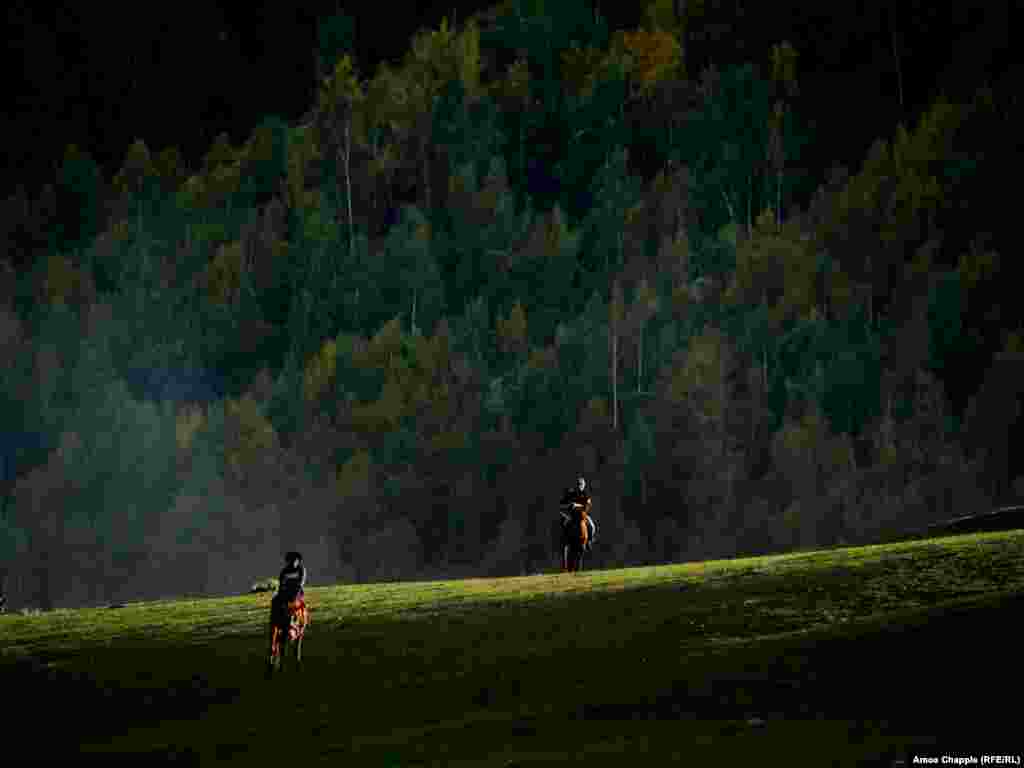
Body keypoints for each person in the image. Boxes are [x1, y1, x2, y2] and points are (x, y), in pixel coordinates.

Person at [560, 476, 592, 558]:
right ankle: (564, 541)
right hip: (573, 515)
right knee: (565, 524)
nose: (580, 486)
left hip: (583, 514)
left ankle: (589, 541)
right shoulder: (572, 493)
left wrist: (576, 505)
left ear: (584, 485)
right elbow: (563, 502)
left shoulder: (586, 494)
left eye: (581, 484)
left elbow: (587, 505)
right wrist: (567, 503)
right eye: (578, 484)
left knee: (592, 526)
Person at [272, 551, 306, 625]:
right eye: (291, 560)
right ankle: (275, 618)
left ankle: (296, 619)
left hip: (297, 592)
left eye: (295, 560)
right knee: (275, 600)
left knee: (293, 604)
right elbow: (281, 584)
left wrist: (296, 593)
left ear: (298, 561)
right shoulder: (284, 571)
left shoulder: (301, 569)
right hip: (286, 592)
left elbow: (301, 583)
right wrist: (280, 592)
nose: (293, 562)